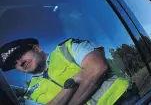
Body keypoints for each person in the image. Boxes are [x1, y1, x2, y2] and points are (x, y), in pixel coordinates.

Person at [0, 38, 139, 105]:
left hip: (125, 101)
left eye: (20, 55)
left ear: (37, 48)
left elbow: (98, 68)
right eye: (14, 64)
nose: (20, 63)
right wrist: (75, 81)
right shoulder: (30, 93)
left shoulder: (68, 49)